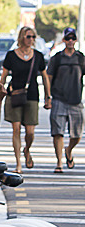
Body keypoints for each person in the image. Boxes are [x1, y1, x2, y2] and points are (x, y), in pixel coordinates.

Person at [0, 26, 51, 174]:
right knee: (16, 130)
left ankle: (26, 149)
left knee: (30, 132)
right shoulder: (11, 55)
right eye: (29, 36)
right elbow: (4, 75)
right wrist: (1, 90)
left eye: (33, 37)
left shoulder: (38, 56)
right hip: (14, 94)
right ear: (22, 37)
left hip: (32, 95)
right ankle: (18, 163)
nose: (31, 40)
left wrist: (48, 96)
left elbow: (45, 77)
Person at [47, 27, 85, 173]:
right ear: (64, 40)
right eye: (67, 38)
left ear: (75, 40)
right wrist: (48, 96)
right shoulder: (57, 58)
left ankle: (68, 150)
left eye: (72, 38)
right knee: (58, 133)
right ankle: (59, 162)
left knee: (76, 135)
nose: (70, 41)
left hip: (76, 100)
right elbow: (48, 77)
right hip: (59, 99)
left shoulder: (80, 58)